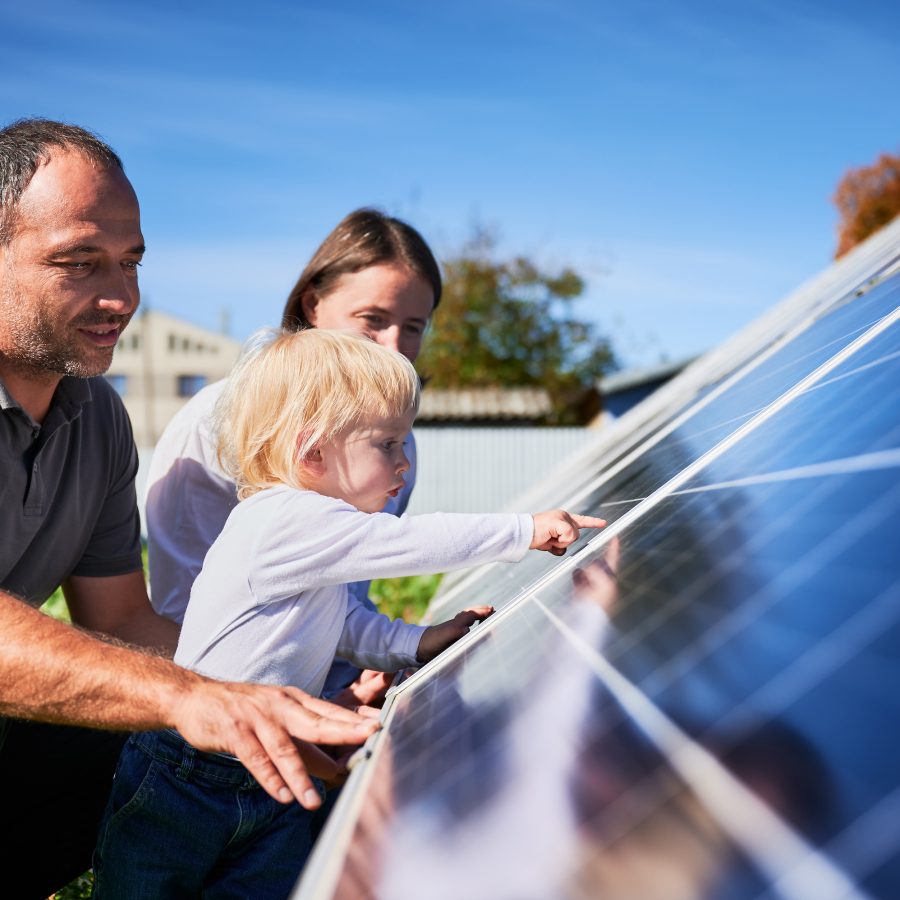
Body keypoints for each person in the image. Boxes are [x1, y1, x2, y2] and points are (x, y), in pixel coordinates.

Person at [0, 118, 377, 899]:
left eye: (132, 262)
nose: (121, 298)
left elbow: (124, 626)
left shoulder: (96, 420)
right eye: (78, 262)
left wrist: (283, 696)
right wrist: (193, 699)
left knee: (146, 744)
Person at [93, 328, 606, 898]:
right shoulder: (283, 519)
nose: (403, 462)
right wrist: (523, 530)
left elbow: (340, 622)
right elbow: (410, 542)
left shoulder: (313, 532)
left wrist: (415, 643)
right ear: (312, 451)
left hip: (276, 759)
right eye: (387, 444)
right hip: (188, 770)